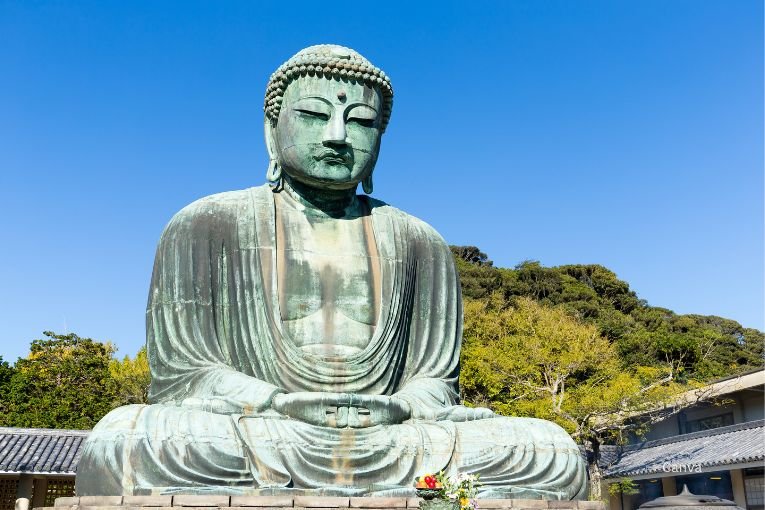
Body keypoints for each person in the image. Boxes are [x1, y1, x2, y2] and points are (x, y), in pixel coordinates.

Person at [75, 45, 587, 499]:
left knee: (547, 447)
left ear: (381, 138)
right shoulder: (206, 224)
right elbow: (184, 376)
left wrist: (401, 407)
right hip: (263, 429)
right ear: (271, 131)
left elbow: (435, 381)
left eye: (362, 122)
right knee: (126, 439)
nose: (339, 136)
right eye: (315, 115)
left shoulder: (418, 241)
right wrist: (278, 401)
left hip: (395, 436)